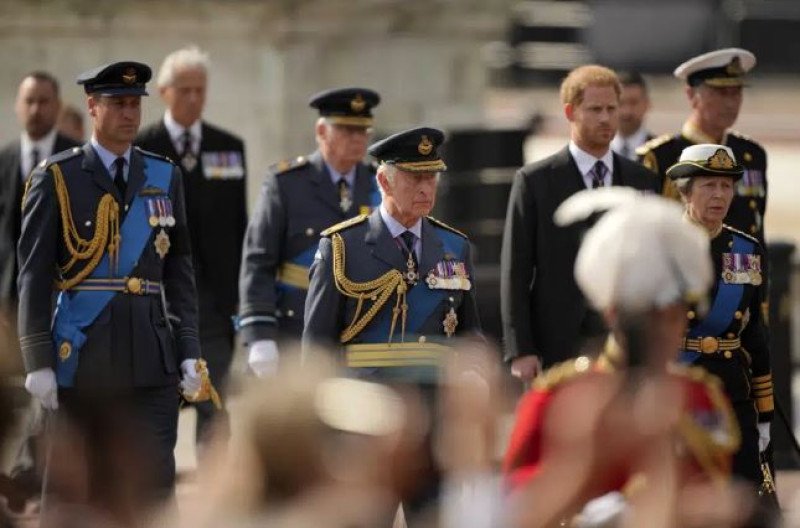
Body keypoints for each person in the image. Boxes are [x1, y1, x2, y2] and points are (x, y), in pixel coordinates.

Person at [16, 61, 211, 500]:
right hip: (84, 356)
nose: (129, 114)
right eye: (117, 103)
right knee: (78, 486)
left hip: (151, 358)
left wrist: (189, 351)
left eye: (134, 104)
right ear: (92, 107)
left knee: (154, 487)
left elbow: (179, 271)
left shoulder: (163, 175)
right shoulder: (58, 178)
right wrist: (38, 360)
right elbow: (33, 274)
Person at [503, 188, 745, 527]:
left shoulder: (701, 397)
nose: (665, 329)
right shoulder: (556, 398)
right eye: (649, 316)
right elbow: (515, 511)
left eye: (674, 315)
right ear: (613, 313)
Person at [302, 126, 481, 524]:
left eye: (431, 177)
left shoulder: (454, 247)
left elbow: (471, 338)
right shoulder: (343, 247)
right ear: (384, 180)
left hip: (434, 427)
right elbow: (317, 349)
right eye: (415, 177)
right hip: (365, 425)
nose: (425, 188)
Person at [500, 65, 659, 383]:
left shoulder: (642, 179)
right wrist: (521, 349)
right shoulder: (535, 181)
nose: (605, 118)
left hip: (625, 347)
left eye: (612, 109)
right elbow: (516, 269)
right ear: (571, 112)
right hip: (557, 345)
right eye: (595, 109)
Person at [136, 46, 247, 454]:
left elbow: (239, 223)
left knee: (213, 405)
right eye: (184, 90)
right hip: (160, 298)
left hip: (215, 303)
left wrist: (238, 298)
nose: (194, 98)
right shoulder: (141, 147)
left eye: (200, 90)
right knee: (159, 406)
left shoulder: (227, 147)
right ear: (164, 92)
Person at [238, 87, 381, 376]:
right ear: (321, 130)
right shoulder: (287, 184)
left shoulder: (377, 184)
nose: (357, 138)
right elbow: (259, 261)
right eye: (346, 129)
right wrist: (260, 334)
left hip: (360, 330)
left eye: (363, 130)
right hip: (296, 326)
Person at [666, 143, 773, 494]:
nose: (720, 195)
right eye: (709, 185)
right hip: (678, 393)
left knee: (742, 502)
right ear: (685, 191)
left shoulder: (746, 250)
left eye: (726, 186)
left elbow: (754, 334)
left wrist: (765, 415)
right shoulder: (662, 244)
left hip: (732, 395)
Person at [637, 48, 767, 243]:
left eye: (736, 92)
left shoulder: (751, 154)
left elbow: (756, 228)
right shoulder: (660, 156)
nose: (731, 103)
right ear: (691, 95)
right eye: (721, 92)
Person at [1, 72, 80, 318]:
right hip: (10, 301)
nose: (35, 109)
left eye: (43, 102)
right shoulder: (4, 161)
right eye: (29, 101)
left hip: (64, 299)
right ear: (17, 106)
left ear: (57, 106)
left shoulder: (78, 159)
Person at [610, 71, 653, 161]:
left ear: (647, 104)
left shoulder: (663, 153)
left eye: (634, 103)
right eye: (620, 103)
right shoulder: (596, 152)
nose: (626, 112)